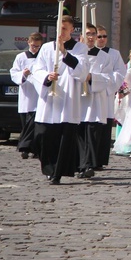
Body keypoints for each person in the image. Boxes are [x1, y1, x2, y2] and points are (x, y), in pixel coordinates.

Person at [32, 15, 89, 184]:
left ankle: (57, 173)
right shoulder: (47, 47)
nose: (60, 31)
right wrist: (47, 77)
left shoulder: (80, 48)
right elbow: (37, 69)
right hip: (49, 98)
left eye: (64, 28)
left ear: (72, 30)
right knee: (43, 136)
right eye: (58, 28)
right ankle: (49, 167)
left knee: (63, 138)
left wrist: (64, 52)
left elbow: (82, 71)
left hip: (67, 99)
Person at [77, 24, 112, 179]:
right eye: (88, 34)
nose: (91, 37)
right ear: (81, 37)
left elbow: (107, 78)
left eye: (93, 34)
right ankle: (79, 164)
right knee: (78, 135)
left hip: (94, 102)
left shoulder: (104, 57)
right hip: (77, 101)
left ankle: (89, 164)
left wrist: (92, 78)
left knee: (92, 134)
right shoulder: (76, 55)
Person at [95, 26, 127, 170]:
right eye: (99, 36)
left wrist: (107, 84)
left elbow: (120, 73)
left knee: (104, 129)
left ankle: (100, 159)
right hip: (90, 96)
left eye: (104, 36)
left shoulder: (114, 54)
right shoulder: (87, 52)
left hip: (106, 96)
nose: (101, 39)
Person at [10, 32, 43, 159]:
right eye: (33, 45)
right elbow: (14, 73)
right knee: (26, 124)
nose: (35, 48)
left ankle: (34, 148)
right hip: (27, 95)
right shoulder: (21, 57)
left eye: (37, 46)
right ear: (29, 43)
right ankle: (25, 147)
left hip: (39, 94)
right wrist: (23, 74)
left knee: (37, 124)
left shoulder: (42, 57)